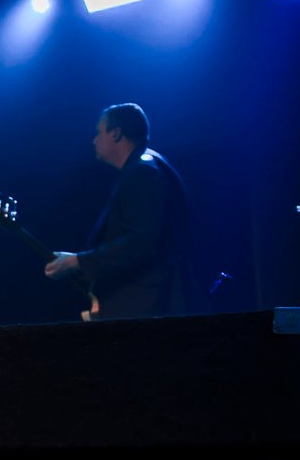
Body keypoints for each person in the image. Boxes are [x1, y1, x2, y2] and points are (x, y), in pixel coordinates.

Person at [44, 103, 196, 320]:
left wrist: (78, 261)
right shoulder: (152, 165)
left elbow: (142, 242)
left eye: (99, 132)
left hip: (146, 307)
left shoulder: (143, 173)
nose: (94, 140)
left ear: (115, 133)